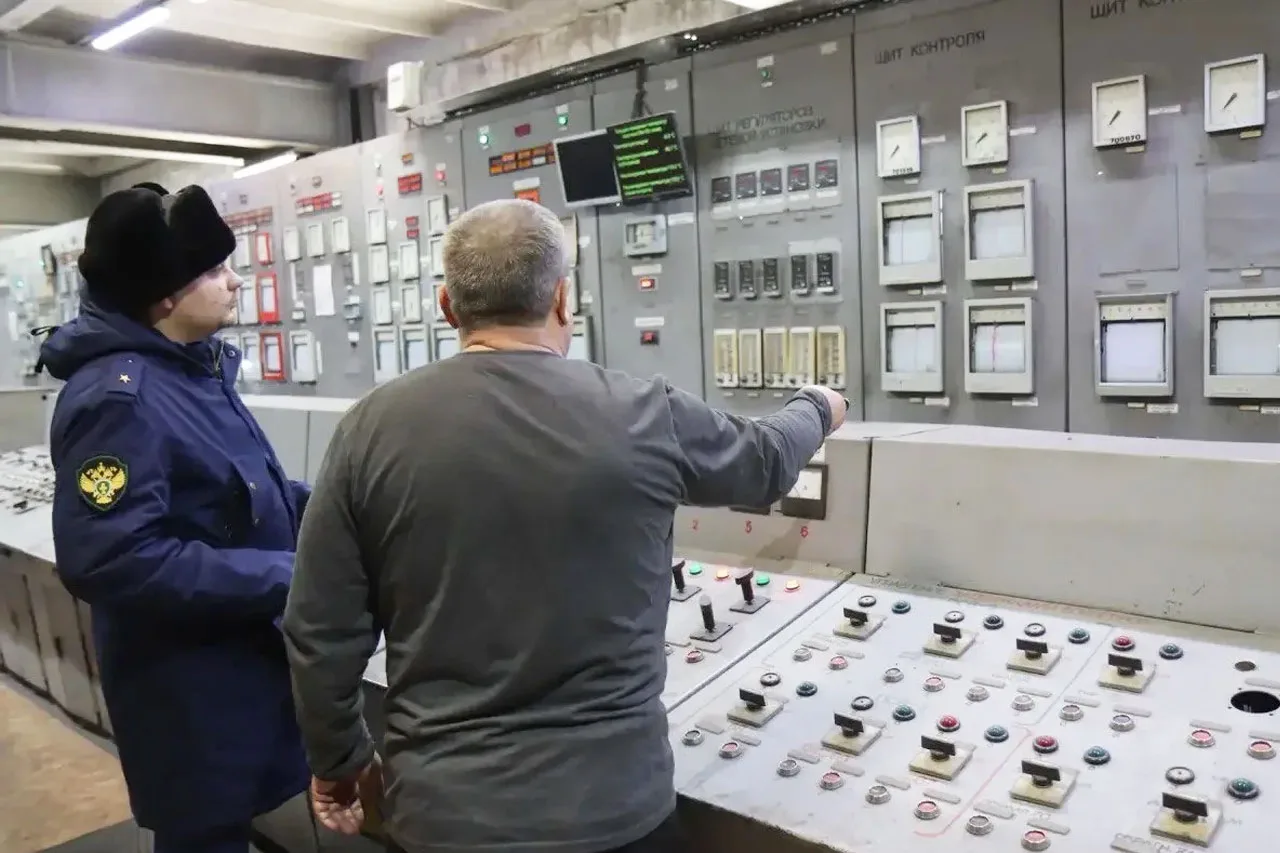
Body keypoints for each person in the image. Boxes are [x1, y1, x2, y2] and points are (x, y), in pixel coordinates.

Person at [281, 198, 847, 853]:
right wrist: (818, 405)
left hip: (446, 816)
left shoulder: (368, 430)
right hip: (618, 812)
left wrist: (340, 760)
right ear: (561, 299)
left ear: (446, 306)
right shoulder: (645, 413)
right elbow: (766, 463)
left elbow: (318, 631)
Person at [41, 182, 312, 853]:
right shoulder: (120, 400)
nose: (236, 281)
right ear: (164, 294)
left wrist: (339, 509)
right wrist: (290, 577)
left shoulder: (190, 372)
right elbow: (113, 557)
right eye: (215, 270)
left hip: (233, 672)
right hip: (187, 689)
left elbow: (233, 489)